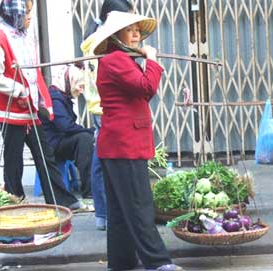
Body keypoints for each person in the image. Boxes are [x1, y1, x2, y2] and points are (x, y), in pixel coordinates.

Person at [81, 11, 183, 271]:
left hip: (118, 144)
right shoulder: (116, 60)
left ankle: (121, 262)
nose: (137, 34)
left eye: (138, 29)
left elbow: (138, 92)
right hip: (123, 144)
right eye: (130, 30)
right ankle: (159, 263)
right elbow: (146, 87)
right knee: (139, 207)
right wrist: (153, 60)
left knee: (120, 211)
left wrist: (144, 60)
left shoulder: (119, 59)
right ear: (117, 35)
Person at [0, 0, 82, 210]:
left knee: (45, 155)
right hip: (12, 112)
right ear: (14, 14)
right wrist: (18, 90)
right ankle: (13, 201)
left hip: (31, 111)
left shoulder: (25, 36)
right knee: (14, 161)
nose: (30, 17)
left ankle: (59, 200)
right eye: (26, 12)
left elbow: (33, 72)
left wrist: (42, 101)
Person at [81, 0, 134, 231]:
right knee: (104, 160)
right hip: (104, 106)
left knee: (101, 157)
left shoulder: (97, 35)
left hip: (100, 104)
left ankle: (104, 214)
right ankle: (106, 213)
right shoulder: (101, 39)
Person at [40, 64, 94, 200]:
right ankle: (88, 189)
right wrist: (88, 131)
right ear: (70, 81)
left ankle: (91, 185)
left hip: (58, 141)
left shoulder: (61, 96)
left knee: (86, 138)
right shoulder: (55, 98)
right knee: (84, 139)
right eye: (79, 86)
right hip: (52, 144)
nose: (81, 91)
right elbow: (65, 126)